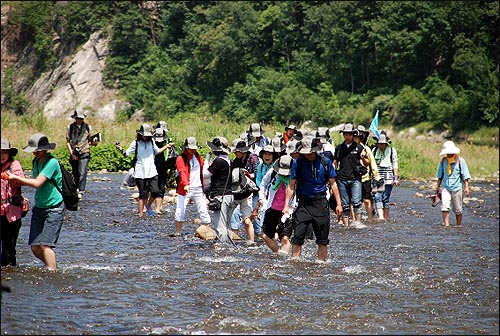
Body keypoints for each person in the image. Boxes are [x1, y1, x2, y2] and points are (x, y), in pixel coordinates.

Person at [5, 133, 64, 270]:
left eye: (37, 151)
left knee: (45, 245)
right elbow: (32, 181)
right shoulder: (36, 162)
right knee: (35, 247)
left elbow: (37, 183)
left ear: (45, 149)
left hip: (54, 208)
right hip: (39, 207)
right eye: (34, 151)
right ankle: (52, 266)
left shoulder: (52, 162)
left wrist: (16, 178)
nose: (35, 154)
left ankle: (52, 272)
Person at [283, 136, 342, 262]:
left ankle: (321, 264)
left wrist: (339, 204)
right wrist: (286, 205)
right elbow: (291, 186)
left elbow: (333, 184)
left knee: (322, 239)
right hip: (303, 204)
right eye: (306, 153)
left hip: (320, 203)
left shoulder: (325, 162)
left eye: (310, 153)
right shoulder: (298, 163)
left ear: (315, 150)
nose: (308, 156)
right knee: (297, 236)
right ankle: (295, 262)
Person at [115, 124, 173, 217]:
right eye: (144, 135)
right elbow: (127, 154)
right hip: (140, 171)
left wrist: (167, 146)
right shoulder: (136, 143)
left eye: (147, 135)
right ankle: (140, 213)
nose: (146, 136)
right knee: (143, 193)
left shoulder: (152, 142)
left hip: (152, 171)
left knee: (155, 191)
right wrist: (120, 149)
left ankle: (149, 205)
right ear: (140, 134)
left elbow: (157, 151)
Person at [172, 137, 212, 236]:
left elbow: (202, 169)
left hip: (198, 188)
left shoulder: (198, 156)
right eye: (191, 148)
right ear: (186, 147)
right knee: (180, 210)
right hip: (185, 189)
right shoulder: (180, 158)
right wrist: (185, 184)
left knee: (203, 209)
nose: (193, 150)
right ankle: (178, 232)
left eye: (194, 148)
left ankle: (207, 232)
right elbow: (182, 172)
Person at [258, 155, 295, 254]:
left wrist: (292, 208)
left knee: (285, 239)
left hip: (287, 211)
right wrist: (262, 198)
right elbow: (263, 185)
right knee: (265, 235)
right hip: (271, 208)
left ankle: (283, 260)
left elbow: (298, 194)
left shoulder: (296, 177)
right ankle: (278, 254)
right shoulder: (272, 173)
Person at [203, 136, 234, 244]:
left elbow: (205, 174)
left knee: (219, 225)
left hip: (221, 196)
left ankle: (223, 250)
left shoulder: (219, 161)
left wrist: (206, 159)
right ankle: (229, 247)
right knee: (226, 225)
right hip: (229, 195)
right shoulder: (229, 160)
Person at [333, 123, 365, 227]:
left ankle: (358, 223)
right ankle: (346, 226)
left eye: (350, 134)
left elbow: (367, 164)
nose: (348, 136)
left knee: (356, 203)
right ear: (343, 135)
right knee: (345, 204)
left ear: (353, 135)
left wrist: (364, 158)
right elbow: (335, 162)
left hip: (355, 178)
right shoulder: (339, 148)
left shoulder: (359, 147)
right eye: (346, 134)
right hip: (342, 178)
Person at [1, 138, 25, 267]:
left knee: (9, 247)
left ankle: (10, 272)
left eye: (4, 152)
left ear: (9, 153)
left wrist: (10, 177)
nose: (2, 155)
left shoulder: (14, 165)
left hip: (11, 213)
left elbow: (20, 181)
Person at [229, 139, 258, 245]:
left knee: (247, 221)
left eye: (237, 152)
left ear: (243, 151)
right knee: (228, 216)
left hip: (248, 193)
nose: (235, 154)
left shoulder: (253, 158)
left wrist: (248, 175)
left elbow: (257, 174)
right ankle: (230, 239)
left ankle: (251, 242)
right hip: (237, 193)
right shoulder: (236, 161)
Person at [435, 141, 471, 227]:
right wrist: (437, 187)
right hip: (445, 187)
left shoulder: (460, 160)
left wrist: (466, 187)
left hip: (457, 187)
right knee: (445, 206)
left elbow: (465, 175)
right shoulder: (443, 161)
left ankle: (458, 225)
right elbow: (440, 175)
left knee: (458, 209)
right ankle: (446, 224)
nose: (449, 154)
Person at [66, 108, 99, 199]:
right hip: (74, 152)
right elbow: (68, 141)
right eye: (77, 118)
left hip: (85, 152)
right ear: (75, 118)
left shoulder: (88, 127)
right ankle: (76, 189)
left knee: (82, 172)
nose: (79, 120)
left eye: (81, 118)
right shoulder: (70, 127)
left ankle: (81, 191)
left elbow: (91, 142)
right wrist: (72, 153)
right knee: (75, 173)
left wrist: (95, 142)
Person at [354, 126, 383, 221]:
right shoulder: (350, 149)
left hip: (365, 178)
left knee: (367, 200)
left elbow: (373, 164)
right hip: (353, 177)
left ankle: (369, 218)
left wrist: (377, 177)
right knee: (354, 201)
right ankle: (355, 219)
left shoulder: (366, 149)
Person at [372, 132, 399, 221]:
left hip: (388, 178)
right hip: (377, 177)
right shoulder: (374, 150)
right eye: (380, 144)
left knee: (385, 198)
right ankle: (381, 217)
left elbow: (395, 164)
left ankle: (385, 218)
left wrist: (395, 178)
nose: (382, 146)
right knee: (377, 196)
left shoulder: (392, 150)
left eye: (383, 144)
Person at [147, 127, 169, 215]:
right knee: (152, 189)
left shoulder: (166, 143)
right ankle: (148, 205)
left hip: (162, 167)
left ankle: (157, 208)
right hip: (152, 168)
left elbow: (168, 156)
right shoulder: (150, 144)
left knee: (161, 188)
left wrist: (168, 168)